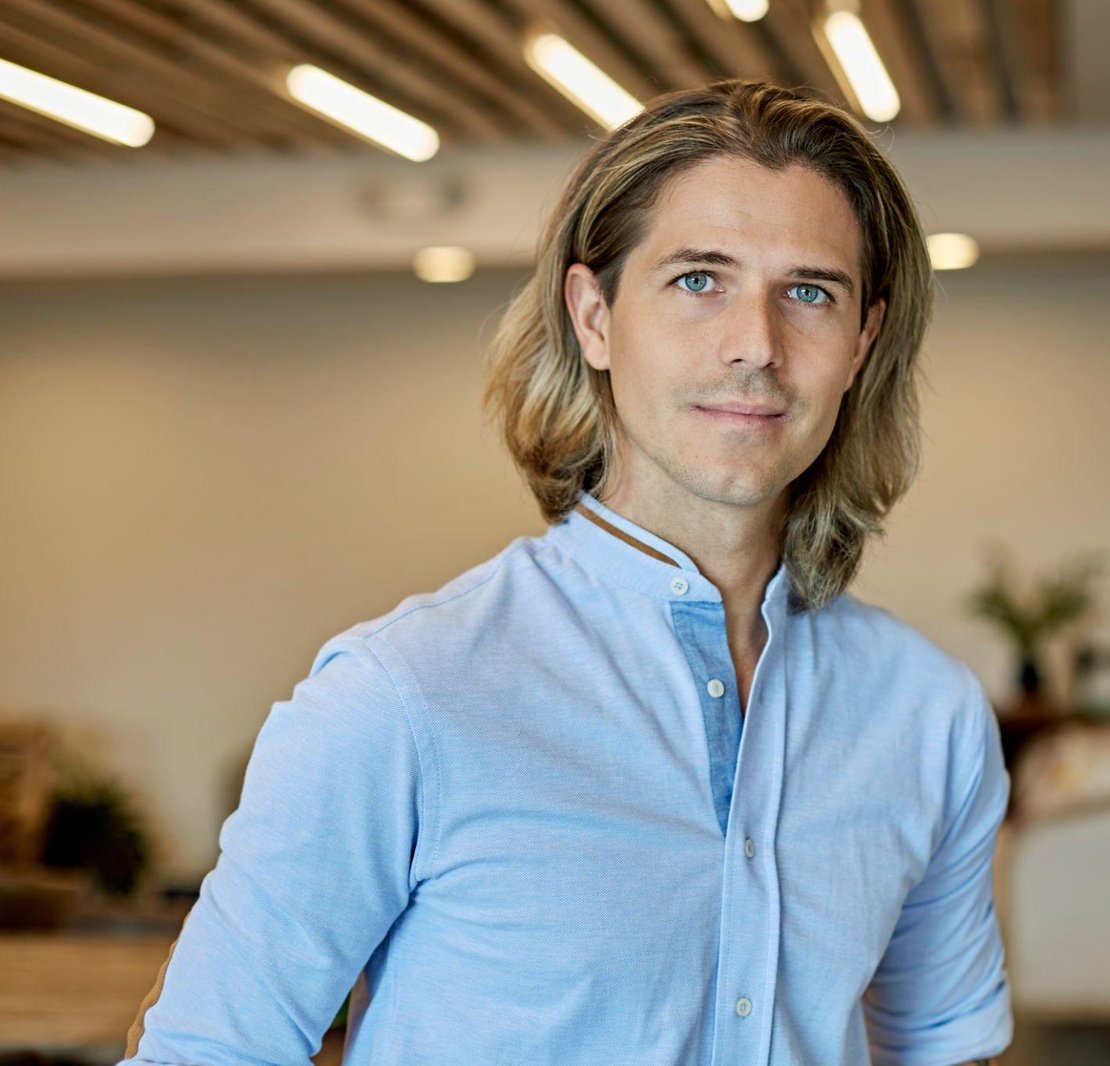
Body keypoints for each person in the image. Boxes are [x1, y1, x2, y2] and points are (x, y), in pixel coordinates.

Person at [120, 79, 1011, 1066]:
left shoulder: (928, 714)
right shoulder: (403, 695)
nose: (756, 345)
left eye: (809, 292)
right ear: (592, 315)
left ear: (862, 342)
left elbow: (944, 1049)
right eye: (697, 279)